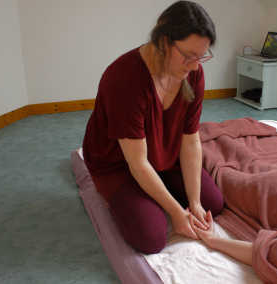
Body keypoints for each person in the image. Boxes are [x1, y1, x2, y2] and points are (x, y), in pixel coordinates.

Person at [82, 1, 224, 255]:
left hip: (162, 157)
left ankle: (161, 190)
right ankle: (126, 194)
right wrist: (177, 213)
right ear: (164, 41)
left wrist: (193, 202)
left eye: (201, 56)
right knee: (151, 238)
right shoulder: (125, 79)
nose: (195, 65)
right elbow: (137, 163)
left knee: (213, 203)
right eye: (189, 56)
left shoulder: (193, 73)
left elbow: (190, 141)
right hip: (119, 165)